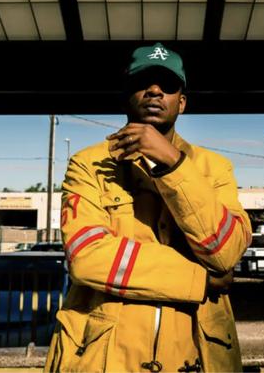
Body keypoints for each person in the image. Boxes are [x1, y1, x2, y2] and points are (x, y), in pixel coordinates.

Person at [45, 43, 252, 372]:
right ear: (126, 94)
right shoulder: (88, 164)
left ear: (181, 102)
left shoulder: (216, 168)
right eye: (144, 82)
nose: (155, 91)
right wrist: (199, 278)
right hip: (105, 357)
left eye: (168, 85)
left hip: (196, 354)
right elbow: (87, 258)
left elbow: (225, 250)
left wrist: (171, 161)